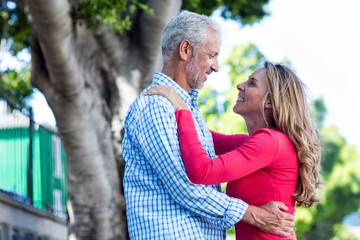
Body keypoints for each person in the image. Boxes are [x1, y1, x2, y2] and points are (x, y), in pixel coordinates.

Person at [122, 10, 294, 240]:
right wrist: (253, 214)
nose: (216, 66)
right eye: (211, 55)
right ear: (185, 50)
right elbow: (185, 186)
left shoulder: (184, 111)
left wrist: (183, 109)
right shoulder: (157, 107)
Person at [145, 61, 322, 239]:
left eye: (252, 83)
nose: (240, 85)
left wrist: (182, 109)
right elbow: (201, 137)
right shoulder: (256, 143)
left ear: (269, 101)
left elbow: (202, 171)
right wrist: (175, 105)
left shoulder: (271, 143)